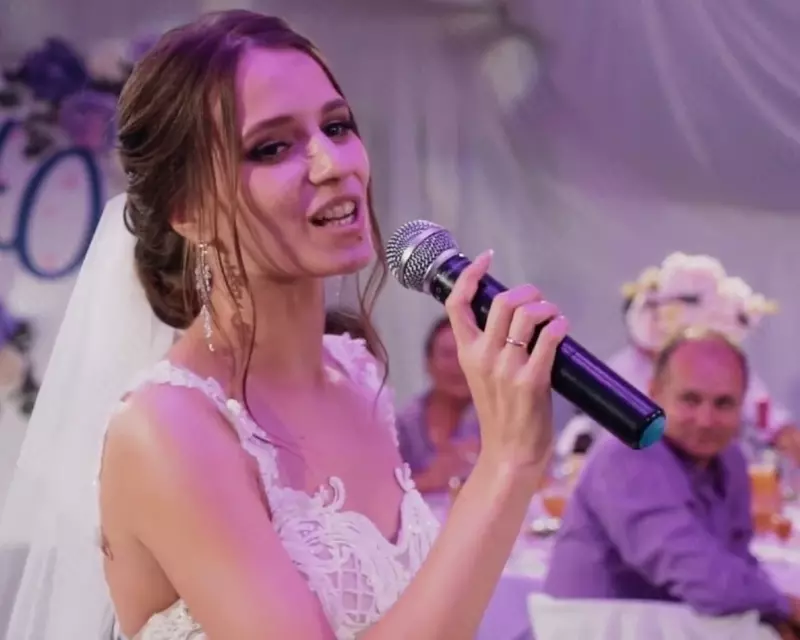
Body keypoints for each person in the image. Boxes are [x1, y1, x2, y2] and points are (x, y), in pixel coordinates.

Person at [0, 11, 569, 640]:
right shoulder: (168, 428)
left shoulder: (355, 371)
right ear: (187, 210)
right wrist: (507, 462)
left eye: (337, 126)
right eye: (272, 148)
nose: (332, 163)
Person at [544, 329, 800, 635]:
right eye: (690, 400)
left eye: (723, 403)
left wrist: (777, 614)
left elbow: (738, 565)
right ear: (653, 393)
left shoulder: (730, 459)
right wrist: (784, 606)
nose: (705, 420)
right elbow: (704, 580)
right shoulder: (628, 453)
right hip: (600, 629)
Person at [557, 252, 800, 464]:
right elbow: (581, 440)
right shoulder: (620, 372)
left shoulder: (722, 366)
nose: (704, 420)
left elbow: (775, 424)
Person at [396, 317, 481, 493]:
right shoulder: (404, 424)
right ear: (428, 364)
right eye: (448, 355)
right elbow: (382, 492)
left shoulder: (499, 418)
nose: (459, 365)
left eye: (466, 354)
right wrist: (430, 478)